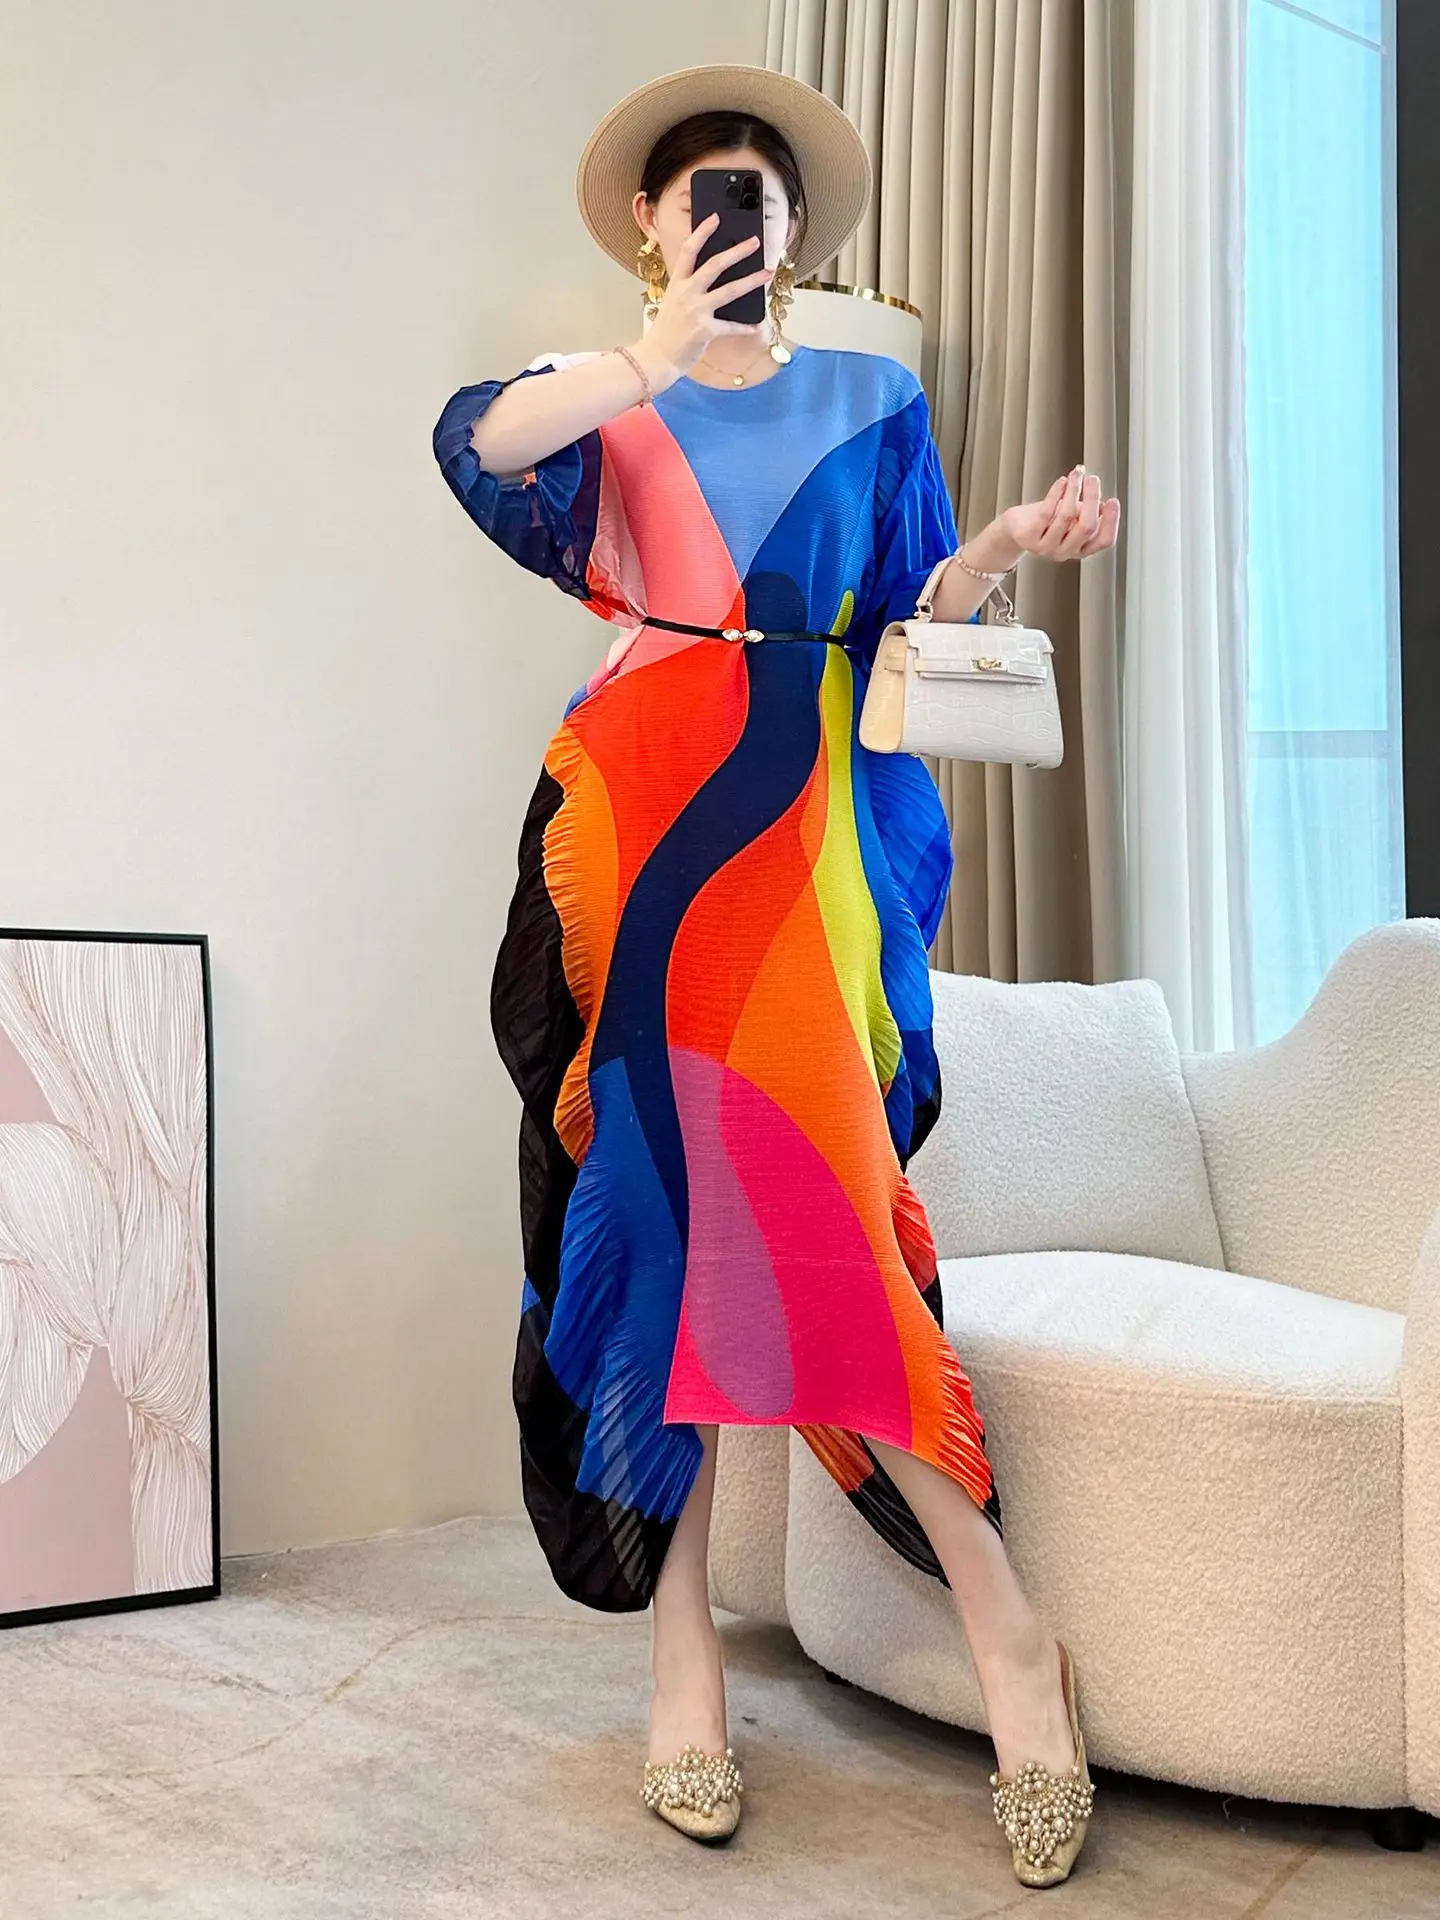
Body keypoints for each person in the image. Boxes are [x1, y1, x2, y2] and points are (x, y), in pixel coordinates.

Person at [432, 60, 1120, 1886]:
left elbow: (906, 611)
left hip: (800, 839)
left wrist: (1007, 547)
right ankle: (684, 1670)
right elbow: (473, 448)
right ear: (651, 228)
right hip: (639, 840)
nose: (740, 223)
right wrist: (652, 354)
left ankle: (1011, 1638)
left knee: (825, 1222)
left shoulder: (872, 394)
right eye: (706, 199)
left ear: (800, 232)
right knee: (661, 1230)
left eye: (766, 200)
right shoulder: (602, 393)